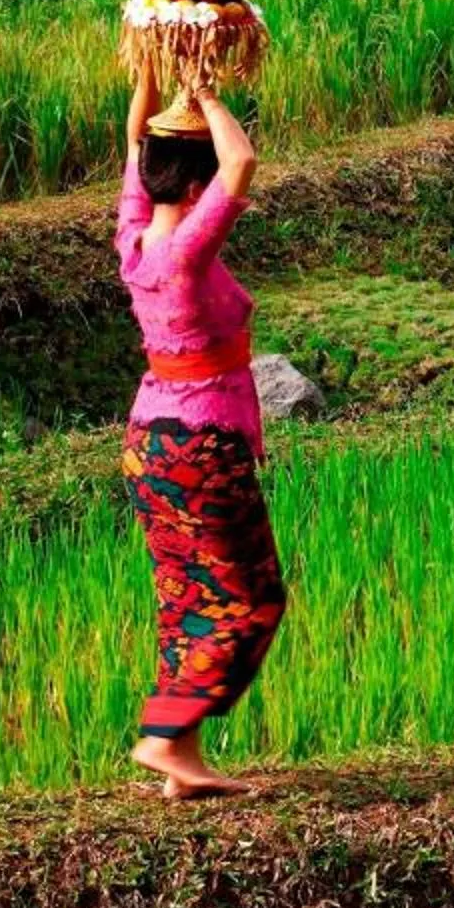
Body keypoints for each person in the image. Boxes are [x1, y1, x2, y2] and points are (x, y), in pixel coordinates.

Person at [118, 67, 284, 798]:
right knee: (252, 599)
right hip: (201, 443)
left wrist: (161, 80)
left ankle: (178, 755)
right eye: (205, 184)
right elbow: (243, 164)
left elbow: (133, 141)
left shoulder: (134, 243)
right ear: (193, 191)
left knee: (187, 596)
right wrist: (208, 92)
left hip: (149, 442)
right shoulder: (185, 251)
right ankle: (161, 738)